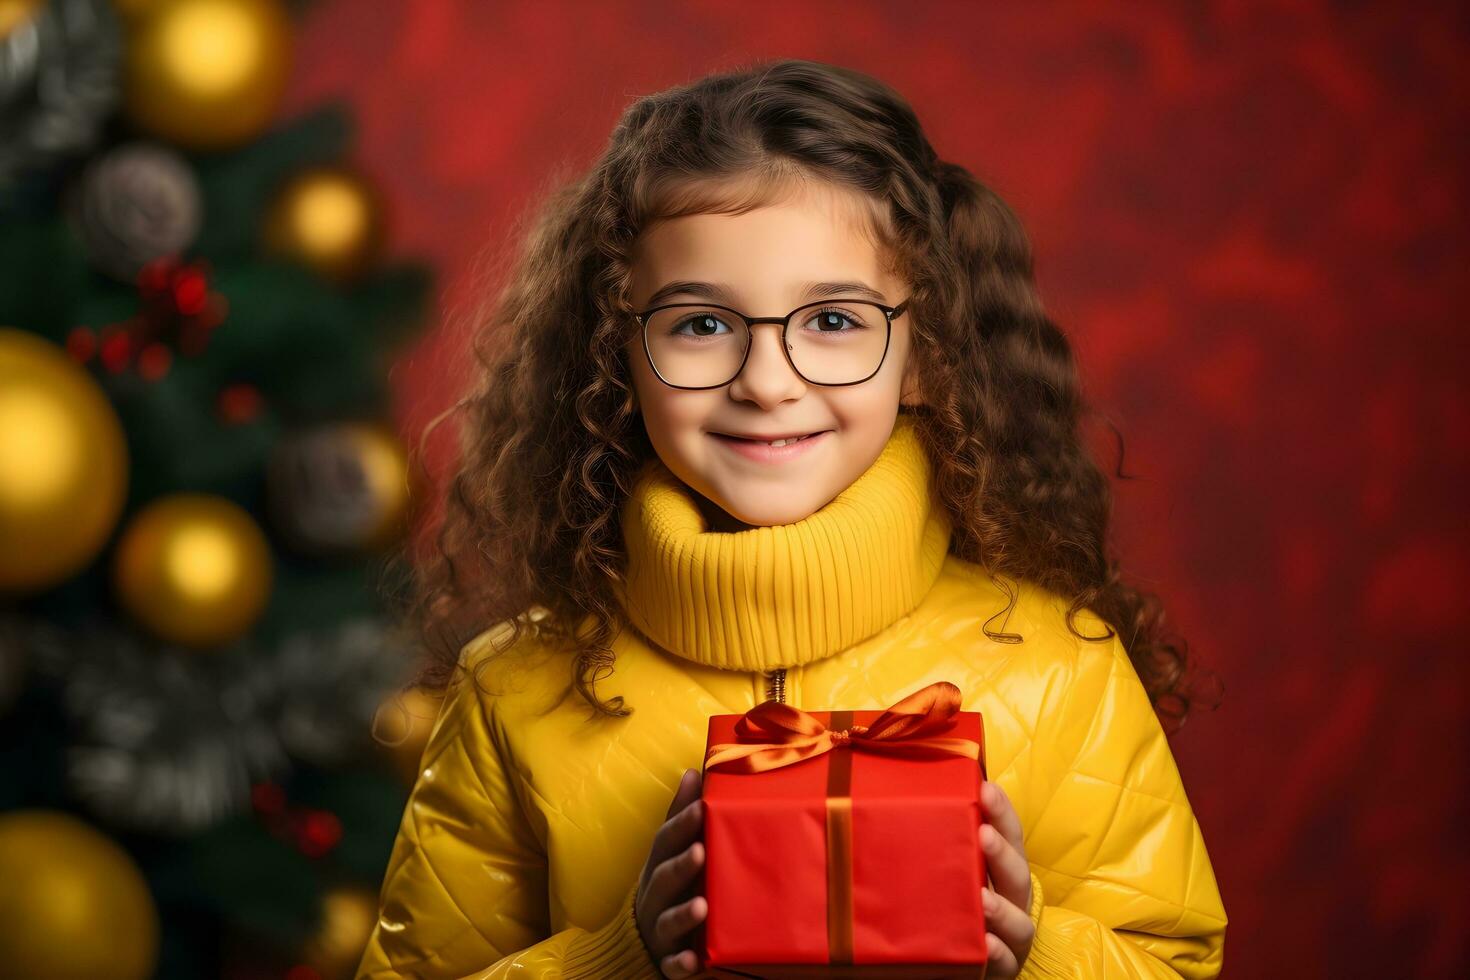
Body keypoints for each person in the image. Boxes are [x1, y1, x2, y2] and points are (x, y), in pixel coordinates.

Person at [355, 58, 1227, 980]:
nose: (767, 383)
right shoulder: (516, 692)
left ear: (924, 354)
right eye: (700, 325)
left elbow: (1175, 962)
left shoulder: (1061, 669)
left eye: (835, 321)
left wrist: (1037, 949)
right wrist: (620, 958)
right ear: (618, 357)